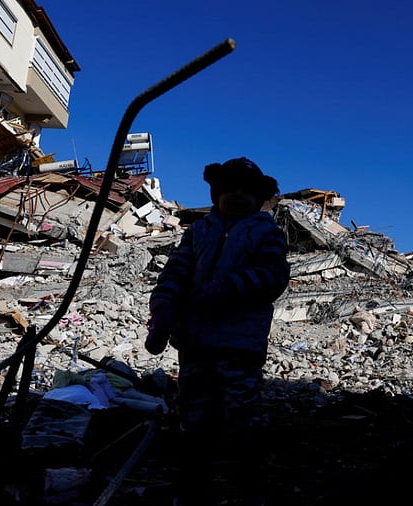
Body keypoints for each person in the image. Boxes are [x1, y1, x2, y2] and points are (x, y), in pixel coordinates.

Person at [145, 157, 290, 505]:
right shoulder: (198, 232)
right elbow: (174, 275)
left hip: (239, 345)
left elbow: (274, 276)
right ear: (216, 194)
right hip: (195, 344)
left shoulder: (266, 231)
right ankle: (193, 482)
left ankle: (247, 483)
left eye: (246, 191)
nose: (237, 197)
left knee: (242, 417)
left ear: (258, 198)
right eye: (229, 190)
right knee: (194, 417)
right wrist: (163, 311)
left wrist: (229, 287)